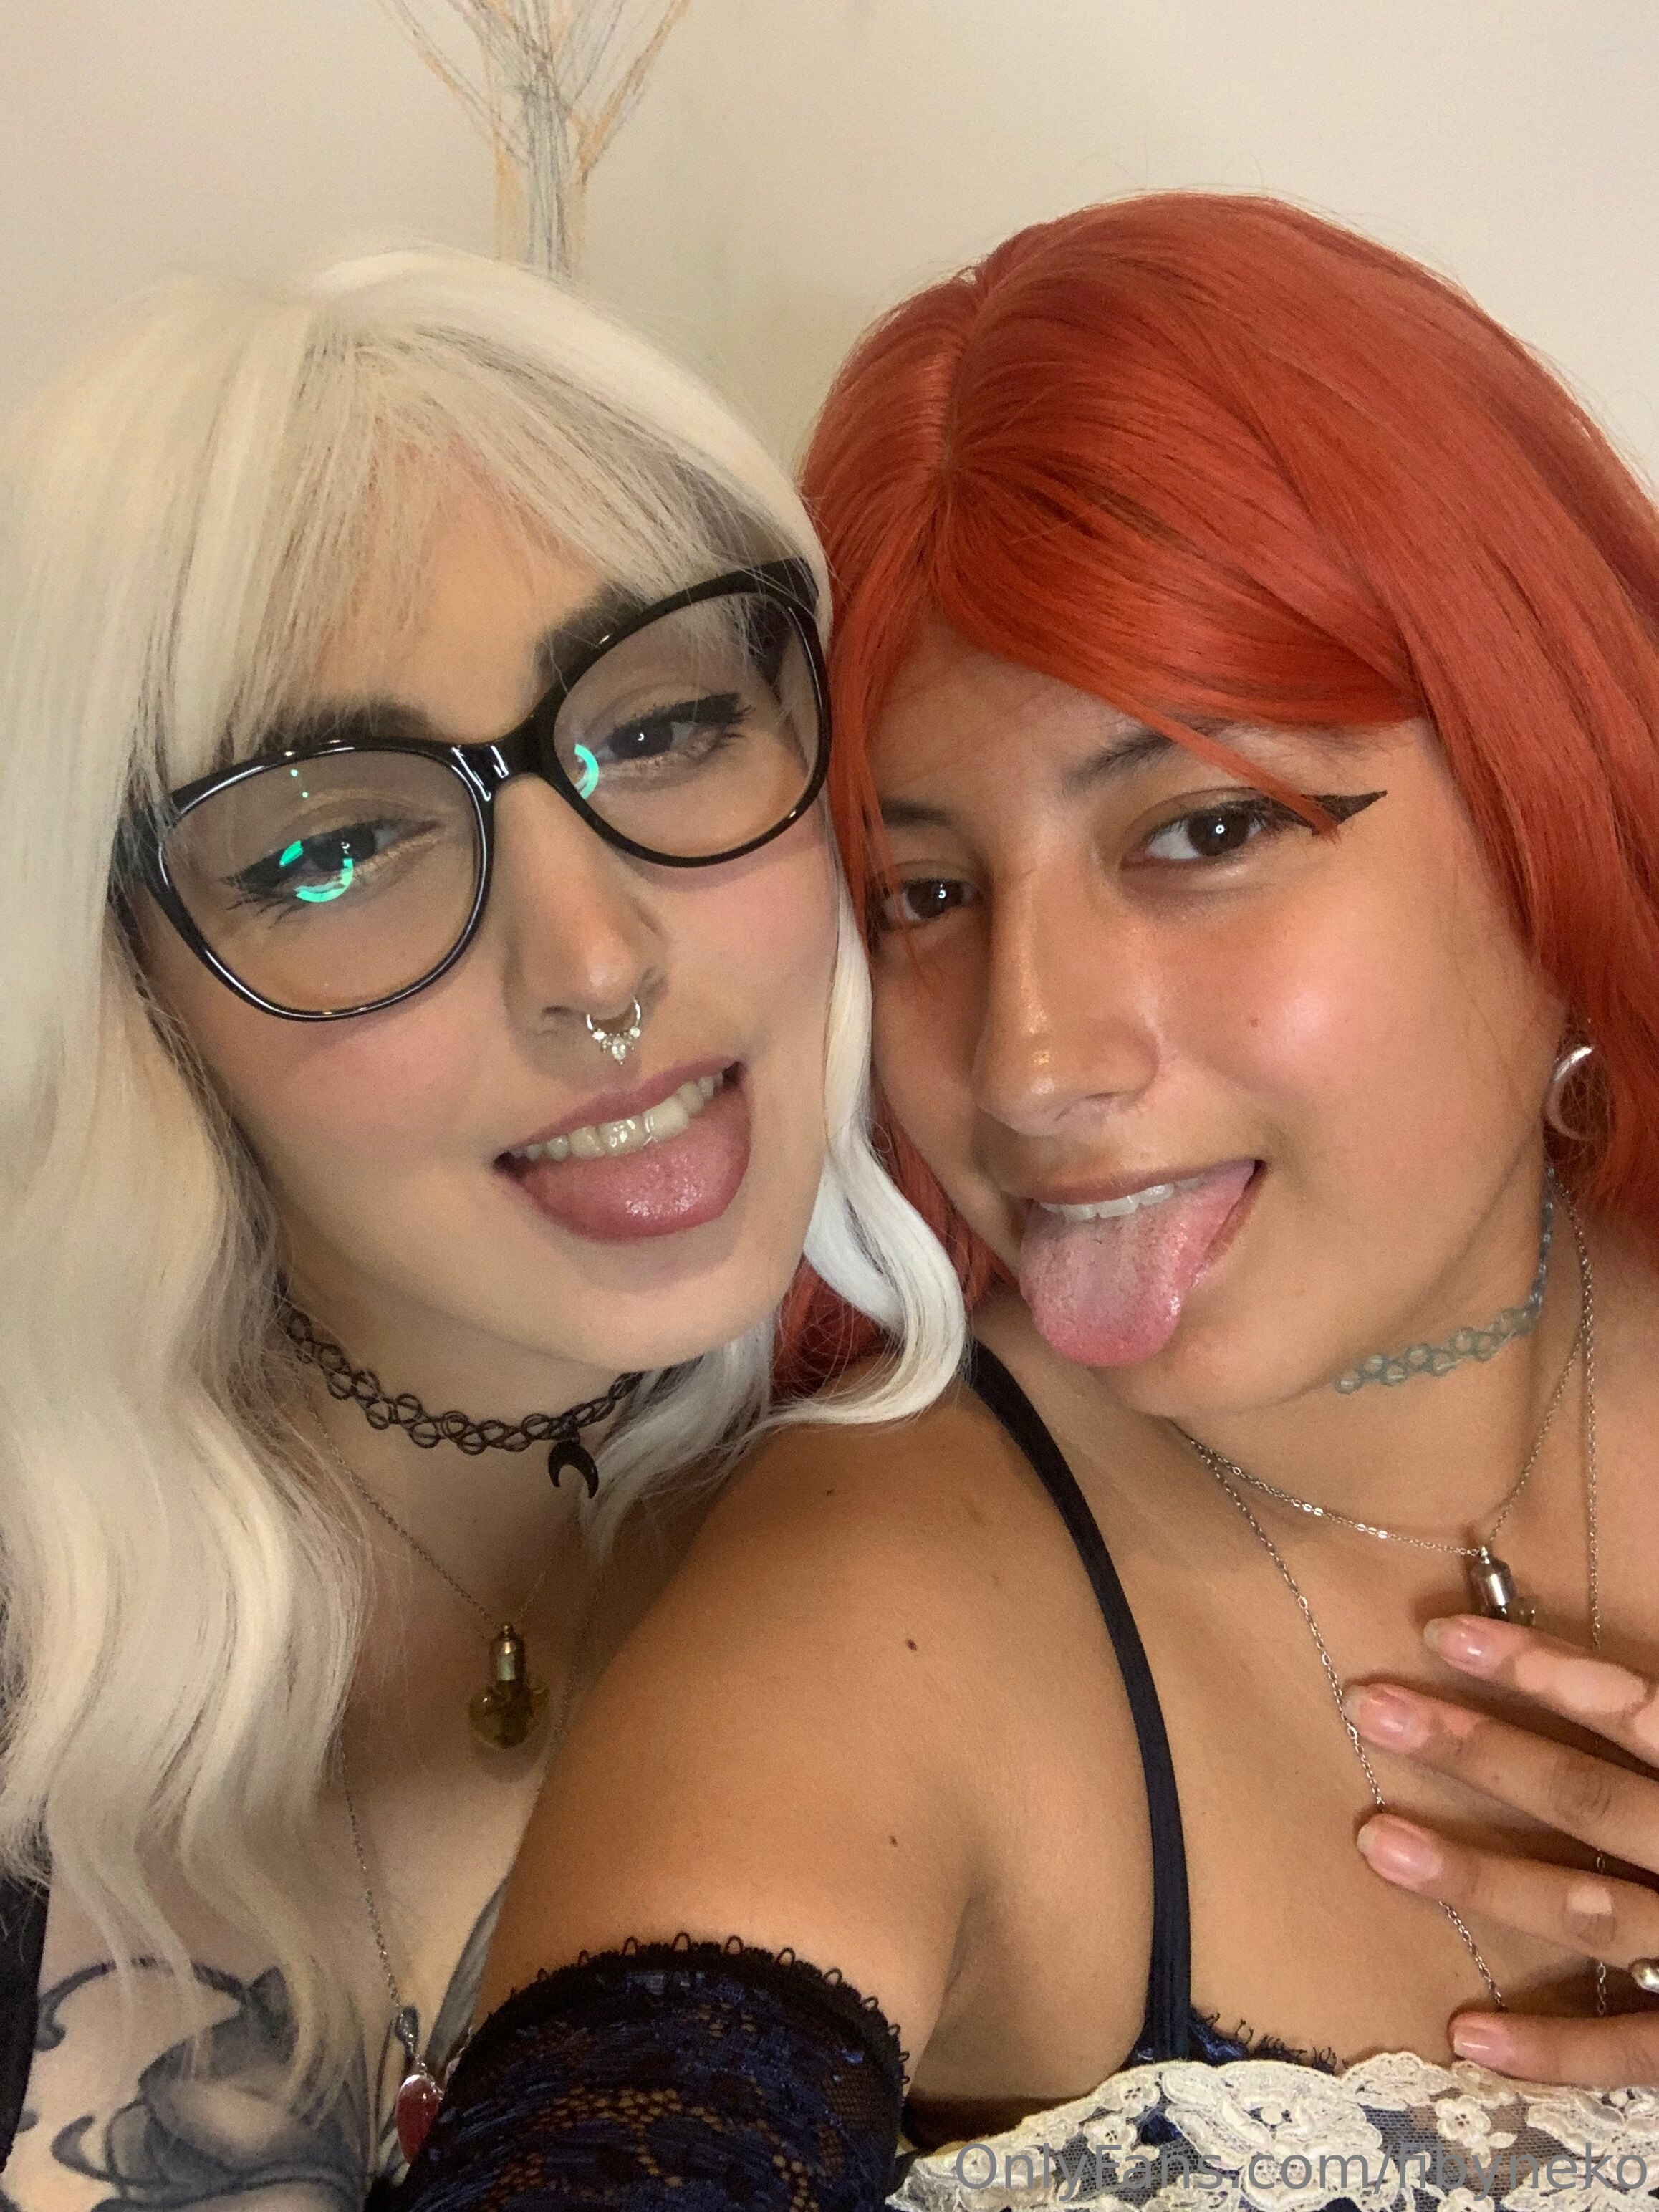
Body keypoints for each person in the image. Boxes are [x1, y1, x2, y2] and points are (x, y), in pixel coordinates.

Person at [393, 196, 1659, 2207]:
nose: (1030, 1059)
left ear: (1547, 788)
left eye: (1204, 830)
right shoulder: (871, 1605)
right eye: (924, 895)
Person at [0, 244, 963, 2208]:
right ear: (125, 989)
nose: (595, 964)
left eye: (666, 726)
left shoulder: (1048, 1522)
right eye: (334, 844)